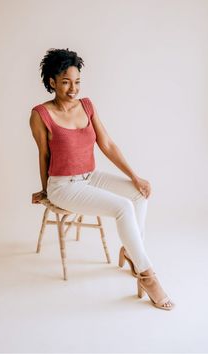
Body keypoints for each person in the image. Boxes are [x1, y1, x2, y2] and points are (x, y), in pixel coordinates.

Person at [29, 48, 174, 310]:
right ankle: (148, 275)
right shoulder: (40, 115)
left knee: (138, 194)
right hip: (63, 185)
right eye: (65, 82)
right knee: (123, 207)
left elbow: (106, 144)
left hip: (90, 177)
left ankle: (131, 252)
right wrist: (45, 191)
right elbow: (44, 155)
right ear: (51, 82)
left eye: (77, 81)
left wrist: (135, 176)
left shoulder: (87, 106)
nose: (73, 88)